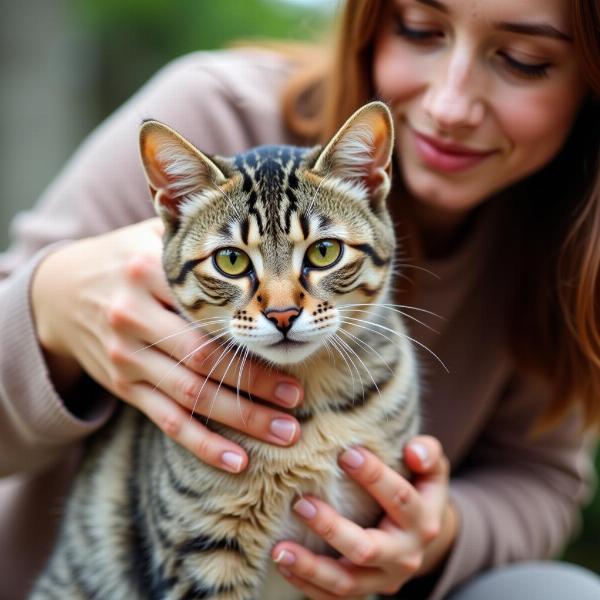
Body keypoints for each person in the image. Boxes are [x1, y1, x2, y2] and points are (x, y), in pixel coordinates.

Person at [1, 0, 599, 598]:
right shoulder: (212, 111)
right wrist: (49, 304)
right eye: (420, 29)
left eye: (525, 60)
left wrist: (435, 535)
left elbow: (541, 476)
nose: (281, 306)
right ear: (370, 22)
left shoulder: (567, 230)